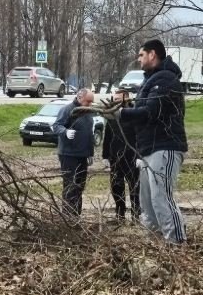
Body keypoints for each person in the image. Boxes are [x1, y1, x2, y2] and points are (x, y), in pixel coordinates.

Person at [107, 39, 187, 244]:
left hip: (164, 146)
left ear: (153, 54)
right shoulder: (151, 80)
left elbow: (150, 111)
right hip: (148, 150)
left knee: (161, 197)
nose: (139, 59)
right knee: (147, 202)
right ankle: (155, 244)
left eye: (141, 54)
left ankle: (177, 243)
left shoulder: (165, 79)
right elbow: (142, 111)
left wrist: (121, 114)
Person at [51, 88, 95, 218]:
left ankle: (76, 215)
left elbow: (89, 134)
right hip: (69, 154)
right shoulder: (67, 109)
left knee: (79, 186)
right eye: (88, 101)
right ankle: (68, 216)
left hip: (83, 155)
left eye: (91, 102)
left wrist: (90, 153)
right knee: (71, 186)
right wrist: (65, 132)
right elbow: (56, 125)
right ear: (79, 98)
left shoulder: (87, 112)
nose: (90, 104)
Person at [101, 90, 140, 221]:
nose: (115, 101)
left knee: (135, 187)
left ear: (126, 99)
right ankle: (120, 213)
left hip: (132, 157)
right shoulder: (112, 115)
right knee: (116, 186)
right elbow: (107, 136)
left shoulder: (135, 114)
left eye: (118, 99)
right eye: (114, 99)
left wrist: (140, 157)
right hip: (115, 157)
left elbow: (140, 137)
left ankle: (136, 215)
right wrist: (105, 155)